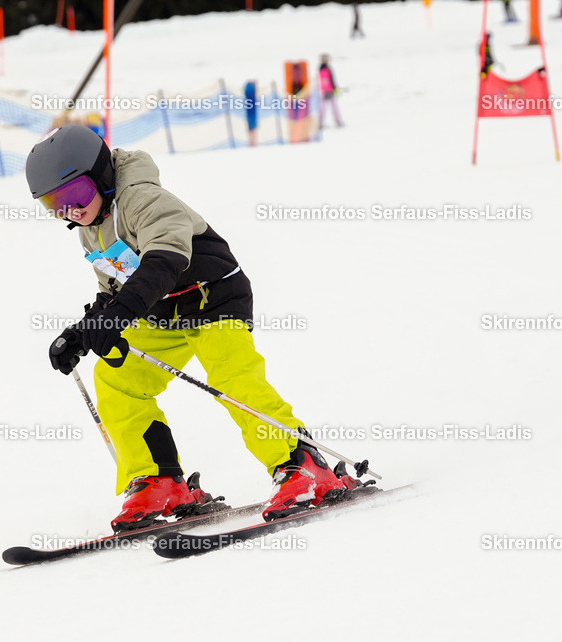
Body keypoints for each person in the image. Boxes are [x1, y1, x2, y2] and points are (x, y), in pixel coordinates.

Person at [25, 125, 360, 532]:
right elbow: (113, 286)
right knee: (117, 379)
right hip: (159, 315)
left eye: (74, 196)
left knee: (232, 376)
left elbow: (162, 263)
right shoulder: (91, 229)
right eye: (53, 205)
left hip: (212, 298)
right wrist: (81, 332)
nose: (70, 212)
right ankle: (159, 480)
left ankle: (301, 466)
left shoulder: (144, 199)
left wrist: (119, 315)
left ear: (100, 177)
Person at [318, 54, 344, 129]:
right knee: (330, 107)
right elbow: (326, 80)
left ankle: (322, 122)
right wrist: (330, 89)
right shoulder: (324, 68)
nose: (327, 60)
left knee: (327, 107)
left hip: (327, 90)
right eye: (325, 58)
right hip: (327, 90)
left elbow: (332, 79)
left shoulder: (325, 68)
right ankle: (337, 121)